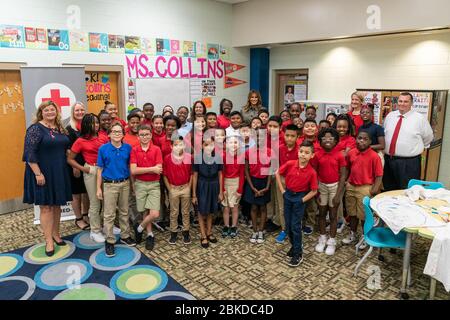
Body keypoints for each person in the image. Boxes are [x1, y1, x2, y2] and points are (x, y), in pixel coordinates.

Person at [23, 101, 72, 256]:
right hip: (42, 173)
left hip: (59, 171)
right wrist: (38, 173)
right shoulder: (35, 129)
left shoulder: (60, 128)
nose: (50, 112)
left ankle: (56, 234)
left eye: (53, 109)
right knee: (46, 207)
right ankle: (48, 240)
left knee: (57, 205)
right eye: (46, 110)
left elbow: (65, 147)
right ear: (41, 112)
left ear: (56, 112)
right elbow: (29, 153)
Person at [276, 141, 318, 267]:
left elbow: (314, 191)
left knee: (295, 226)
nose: (303, 155)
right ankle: (294, 246)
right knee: (288, 225)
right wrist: (283, 190)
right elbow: (277, 173)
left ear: (312, 155)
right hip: (288, 195)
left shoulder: (312, 172)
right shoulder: (290, 164)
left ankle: (298, 253)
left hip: (300, 198)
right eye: (301, 152)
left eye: (307, 153)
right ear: (298, 152)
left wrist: (301, 200)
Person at [96, 123, 135, 257]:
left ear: (123, 134)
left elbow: (130, 167)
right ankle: (110, 240)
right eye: (114, 131)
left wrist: (132, 185)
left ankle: (125, 235)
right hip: (109, 185)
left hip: (124, 183)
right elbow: (99, 170)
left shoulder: (128, 148)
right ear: (109, 134)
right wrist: (98, 189)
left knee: (124, 211)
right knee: (109, 214)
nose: (117, 134)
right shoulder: (103, 149)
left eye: (120, 132)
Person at [383, 92, 433, 190]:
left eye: (406, 101)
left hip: (409, 163)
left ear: (411, 103)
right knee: (389, 189)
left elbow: (428, 137)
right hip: (389, 160)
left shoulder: (419, 118)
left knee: (408, 191)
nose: (402, 104)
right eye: (400, 101)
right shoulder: (390, 116)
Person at [68, 113, 105, 243]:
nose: (96, 125)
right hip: (92, 170)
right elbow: (70, 159)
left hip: (106, 170)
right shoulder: (80, 140)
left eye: (97, 122)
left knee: (108, 200)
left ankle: (106, 225)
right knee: (95, 202)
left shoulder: (103, 136)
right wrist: (84, 169)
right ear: (85, 125)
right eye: (92, 123)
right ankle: (95, 231)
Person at [343, 131, 383, 249]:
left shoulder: (374, 156)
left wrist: (373, 190)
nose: (362, 141)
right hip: (351, 186)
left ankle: (365, 236)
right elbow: (347, 168)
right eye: (359, 138)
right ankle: (353, 234)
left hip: (365, 188)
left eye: (365, 139)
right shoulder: (351, 153)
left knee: (364, 215)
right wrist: (346, 182)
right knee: (352, 213)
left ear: (370, 142)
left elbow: (379, 175)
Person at [311, 128, 346, 256]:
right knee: (321, 214)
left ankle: (332, 240)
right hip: (322, 186)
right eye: (324, 138)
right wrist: (316, 191)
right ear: (320, 141)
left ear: (336, 141)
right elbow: (313, 172)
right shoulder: (317, 155)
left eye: (331, 138)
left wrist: (338, 195)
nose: (327, 140)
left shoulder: (339, 155)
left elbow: (343, 175)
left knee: (333, 215)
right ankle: (322, 237)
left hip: (334, 187)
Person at [130, 125, 163, 251]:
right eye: (142, 135)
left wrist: (145, 170)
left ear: (151, 135)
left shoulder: (156, 149)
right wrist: (151, 169)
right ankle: (149, 234)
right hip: (140, 184)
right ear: (138, 136)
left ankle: (139, 228)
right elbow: (133, 170)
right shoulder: (134, 150)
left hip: (154, 185)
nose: (144, 137)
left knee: (154, 213)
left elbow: (158, 170)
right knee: (144, 211)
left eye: (147, 134)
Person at [192, 137, 223, 248]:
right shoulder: (197, 157)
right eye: (206, 144)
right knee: (201, 211)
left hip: (214, 185)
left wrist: (220, 192)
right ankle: (203, 235)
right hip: (202, 185)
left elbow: (220, 175)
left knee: (211, 210)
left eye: (211, 144)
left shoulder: (218, 157)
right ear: (202, 145)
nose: (209, 147)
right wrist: (194, 194)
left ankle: (209, 232)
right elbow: (195, 176)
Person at [245, 128, 272, 244]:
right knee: (254, 207)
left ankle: (261, 231)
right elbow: (246, 171)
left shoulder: (270, 152)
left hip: (265, 181)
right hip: (252, 182)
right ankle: (255, 230)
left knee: (263, 207)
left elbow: (271, 170)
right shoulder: (248, 152)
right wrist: (252, 187)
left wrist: (267, 187)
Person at [163, 137, 193, 245]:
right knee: (174, 212)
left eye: (181, 144)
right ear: (171, 146)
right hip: (173, 188)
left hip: (185, 187)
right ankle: (173, 232)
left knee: (185, 212)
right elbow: (165, 175)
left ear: (184, 146)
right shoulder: (167, 158)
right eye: (175, 145)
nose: (178, 147)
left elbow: (191, 174)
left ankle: (186, 232)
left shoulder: (189, 157)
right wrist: (169, 188)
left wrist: (189, 187)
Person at [66, 102, 89, 230]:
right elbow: (68, 149)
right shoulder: (69, 129)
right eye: (77, 110)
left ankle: (85, 215)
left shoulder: (86, 128)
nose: (80, 112)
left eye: (82, 110)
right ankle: (78, 219)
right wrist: (75, 166)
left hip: (87, 164)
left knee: (86, 192)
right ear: (72, 113)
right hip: (75, 165)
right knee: (76, 194)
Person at [274, 125, 299, 243]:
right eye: (287, 135)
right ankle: (285, 229)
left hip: (296, 181)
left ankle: (295, 229)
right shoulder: (279, 148)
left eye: (292, 136)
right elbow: (276, 166)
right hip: (282, 180)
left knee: (295, 207)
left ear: (297, 137)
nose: (289, 138)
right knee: (282, 207)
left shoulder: (300, 149)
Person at [221, 135, 245, 238]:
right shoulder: (223, 156)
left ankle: (234, 226)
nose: (233, 145)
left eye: (236, 143)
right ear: (226, 145)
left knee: (235, 207)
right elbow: (221, 173)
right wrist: (222, 189)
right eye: (231, 143)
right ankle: (226, 226)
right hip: (226, 182)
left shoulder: (241, 157)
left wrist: (240, 190)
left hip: (236, 182)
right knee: (226, 207)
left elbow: (242, 174)